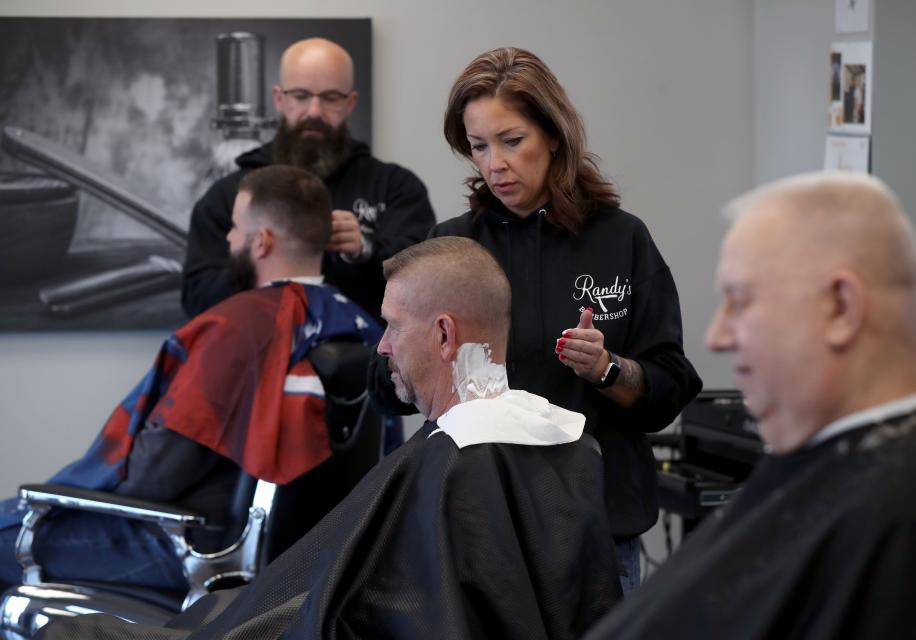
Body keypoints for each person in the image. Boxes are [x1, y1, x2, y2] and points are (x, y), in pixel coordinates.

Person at [38, 237, 624, 640]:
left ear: (445, 335)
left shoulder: (449, 465)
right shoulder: (566, 445)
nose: (383, 345)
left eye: (393, 325)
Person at [371, 46, 702, 592]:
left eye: (512, 141)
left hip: (598, 533)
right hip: (477, 530)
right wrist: (418, 363)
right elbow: (384, 381)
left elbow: (669, 388)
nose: (495, 164)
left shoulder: (622, 240)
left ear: (553, 134)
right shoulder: (450, 249)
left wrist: (607, 368)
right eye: (479, 146)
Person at [585, 172, 916, 639]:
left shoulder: (914, 522)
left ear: (841, 308)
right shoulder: (837, 473)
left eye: (741, 302)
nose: (717, 336)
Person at [0, 165, 382, 594]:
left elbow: (156, 476)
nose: (228, 240)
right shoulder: (360, 326)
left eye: (236, 229)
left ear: (262, 241)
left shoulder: (237, 329)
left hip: (191, 544)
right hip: (311, 556)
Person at [182, 37, 436, 321]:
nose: (314, 111)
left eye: (330, 98)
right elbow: (197, 298)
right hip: (257, 361)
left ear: (350, 103)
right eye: (301, 96)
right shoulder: (230, 195)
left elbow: (427, 291)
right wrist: (262, 261)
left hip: (369, 362)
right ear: (279, 99)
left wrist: (366, 250)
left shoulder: (395, 188)